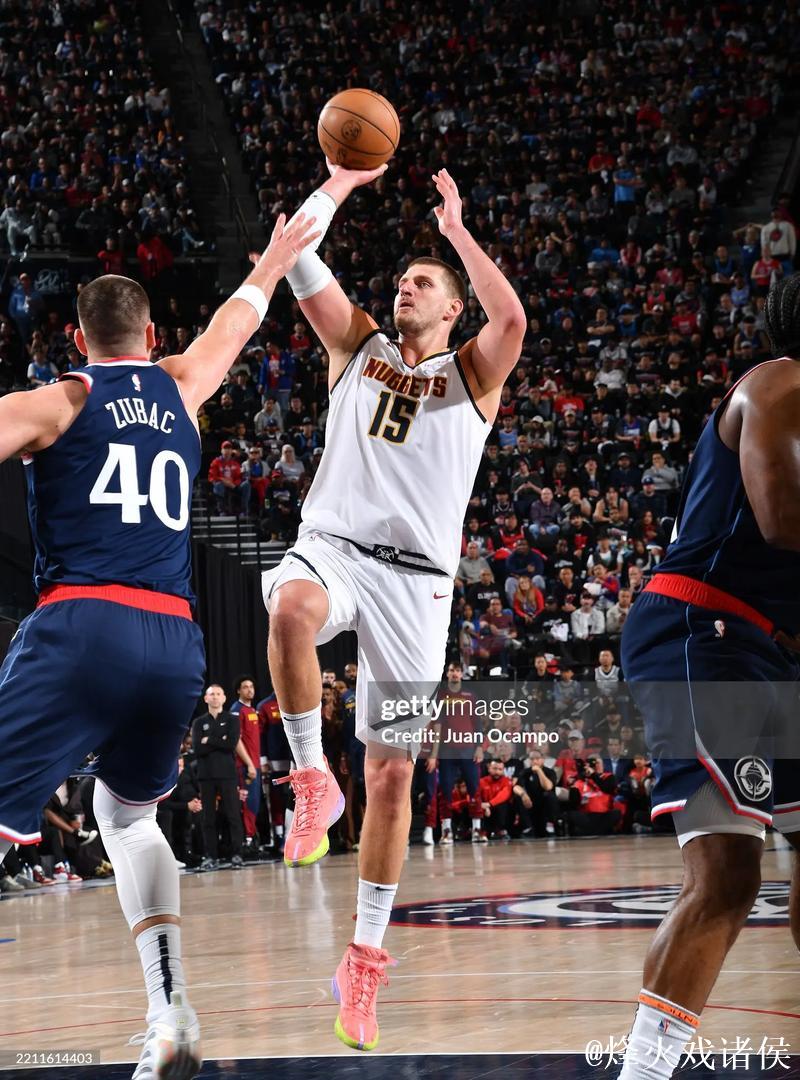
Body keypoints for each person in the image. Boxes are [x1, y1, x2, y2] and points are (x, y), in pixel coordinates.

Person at [0, 211, 318, 1080]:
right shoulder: (181, 387)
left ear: (77, 340)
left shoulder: (59, 400)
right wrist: (276, 260)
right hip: (177, 640)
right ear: (151, 336)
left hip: (85, 622)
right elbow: (237, 323)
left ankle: (171, 1014)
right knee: (127, 817)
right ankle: (171, 1013)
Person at [262, 161, 525, 1051]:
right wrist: (338, 182)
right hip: (335, 548)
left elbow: (513, 320)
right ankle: (309, 780)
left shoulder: (472, 374)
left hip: (418, 585)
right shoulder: (358, 348)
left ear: (452, 308)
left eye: (422, 284)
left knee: (391, 775)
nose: (403, 289)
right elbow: (297, 256)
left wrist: (456, 233)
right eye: (402, 280)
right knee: (290, 611)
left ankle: (364, 959)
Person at [616, 274, 800, 1079]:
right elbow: (782, 518)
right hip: (705, 629)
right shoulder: (780, 381)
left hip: (769, 646)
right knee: (727, 873)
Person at [191, 684, 252, 871]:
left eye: (218, 694)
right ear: (206, 698)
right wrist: (220, 740)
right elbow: (197, 748)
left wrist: (208, 739)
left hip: (227, 775)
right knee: (208, 818)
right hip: (206, 776)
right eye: (212, 694)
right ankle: (211, 857)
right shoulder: (198, 723)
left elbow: (231, 744)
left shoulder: (232, 720)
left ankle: (237, 855)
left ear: (224, 698)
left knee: (233, 815)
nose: (215, 697)